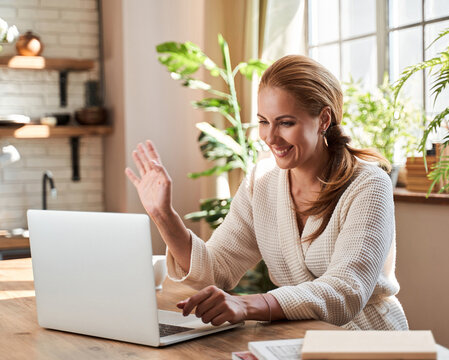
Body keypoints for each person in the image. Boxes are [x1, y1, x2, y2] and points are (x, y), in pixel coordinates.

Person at [125, 55, 408, 331]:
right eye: (263, 121)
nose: (270, 137)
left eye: (285, 123)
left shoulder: (368, 185)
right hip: (295, 338)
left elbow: (346, 291)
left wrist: (248, 305)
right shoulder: (261, 182)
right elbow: (217, 269)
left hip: (368, 341)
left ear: (323, 119)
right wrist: (164, 216)